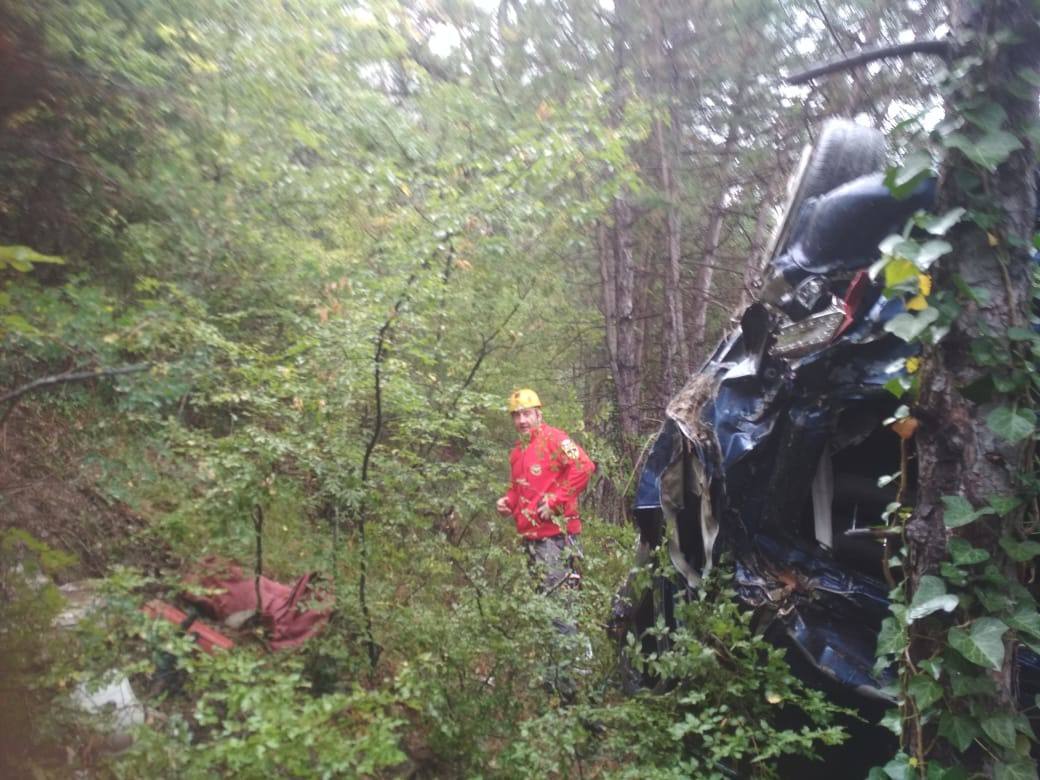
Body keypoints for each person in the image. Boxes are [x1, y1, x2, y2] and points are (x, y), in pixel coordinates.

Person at [496, 388, 595, 594]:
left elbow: (584, 466)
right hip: (530, 539)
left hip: (557, 538)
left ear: (538, 414)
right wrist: (508, 501)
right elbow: (517, 488)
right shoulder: (517, 451)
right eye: (516, 415)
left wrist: (556, 501)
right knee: (541, 602)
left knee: (560, 604)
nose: (522, 420)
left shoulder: (555, 439)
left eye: (527, 414)